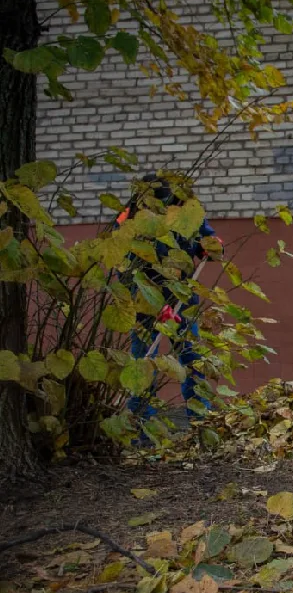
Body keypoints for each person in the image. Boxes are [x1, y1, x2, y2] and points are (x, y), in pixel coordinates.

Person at [116, 173, 221, 445]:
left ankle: (202, 427)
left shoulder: (185, 211)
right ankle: (142, 432)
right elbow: (123, 269)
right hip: (144, 304)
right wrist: (153, 304)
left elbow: (204, 237)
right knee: (143, 364)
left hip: (182, 300)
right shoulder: (129, 220)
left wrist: (210, 246)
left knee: (191, 359)